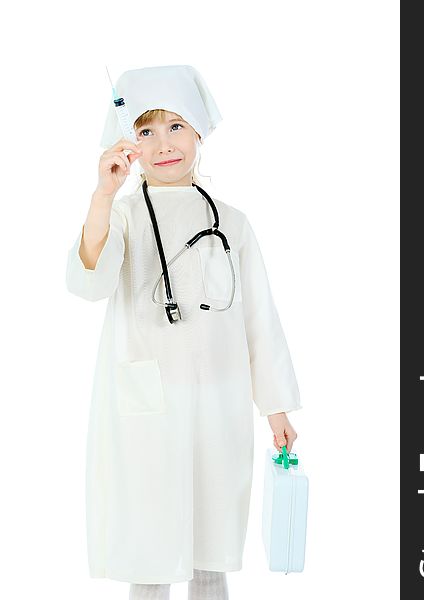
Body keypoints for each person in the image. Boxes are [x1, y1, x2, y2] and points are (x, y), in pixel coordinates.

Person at [65, 65, 302, 600]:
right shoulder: (122, 215)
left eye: (176, 126)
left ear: (198, 131)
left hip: (219, 400)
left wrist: (276, 407)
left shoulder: (233, 222)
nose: (163, 143)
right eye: (145, 132)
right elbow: (89, 282)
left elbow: (258, 318)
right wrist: (103, 195)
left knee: (210, 550)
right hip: (144, 405)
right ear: (129, 145)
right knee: (149, 552)